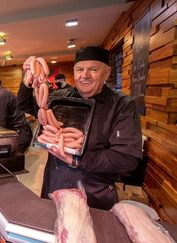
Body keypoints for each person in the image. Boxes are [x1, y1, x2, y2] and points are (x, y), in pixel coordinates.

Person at [17, 46, 142, 210]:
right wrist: (28, 78)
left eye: (93, 69)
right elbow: (24, 105)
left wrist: (77, 160)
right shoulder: (62, 97)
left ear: (107, 72)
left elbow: (126, 159)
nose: (85, 75)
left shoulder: (122, 105)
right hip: (55, 185)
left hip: (94, 193)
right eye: (80, 69)